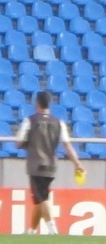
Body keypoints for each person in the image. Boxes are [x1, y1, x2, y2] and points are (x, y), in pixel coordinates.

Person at [15, 91, 84, 235]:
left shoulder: (30, 121)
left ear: (37, 103)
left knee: (42, 197)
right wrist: (77, 163)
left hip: (36, 165)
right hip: (52, 166)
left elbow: (18, 142)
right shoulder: (59, 122)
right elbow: (67, 145)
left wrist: (27, 142)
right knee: (39, 198)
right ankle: (31, 231)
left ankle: (52, 229)